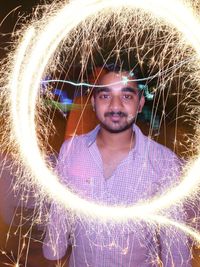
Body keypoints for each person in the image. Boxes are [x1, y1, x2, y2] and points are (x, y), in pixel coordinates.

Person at [43, 66, 191, 266]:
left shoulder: (163, 161)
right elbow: (59, 215)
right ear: (94, 103)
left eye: (127, 97)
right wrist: (54, 254)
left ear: (140, 104)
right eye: (105, 96)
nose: (115, 105)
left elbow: (175, 242)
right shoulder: (72, 149)